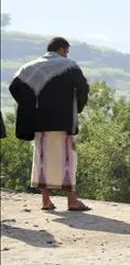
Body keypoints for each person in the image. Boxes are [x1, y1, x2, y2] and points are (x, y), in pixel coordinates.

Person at [8, 37, 90, 211]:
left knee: (42, 159)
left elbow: (14, 87)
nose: (66, 55)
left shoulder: (29, 68)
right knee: (67, 159)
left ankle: (46, 200)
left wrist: (30, 106)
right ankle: (72, 200)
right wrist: (77, 107)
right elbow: (83, 88)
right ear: (61, 49)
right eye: (66, 51)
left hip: (39, 122)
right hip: (63, 121)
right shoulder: (69, 66)